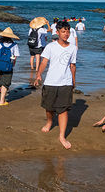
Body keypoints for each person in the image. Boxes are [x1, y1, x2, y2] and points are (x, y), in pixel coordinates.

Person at [34, 20, 78, 149]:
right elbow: (44, 62)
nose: (66, 34)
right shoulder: (50, 47)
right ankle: (49, 122)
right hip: (50, 82)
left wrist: (73, 81)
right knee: (49, 108)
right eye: (63, 32)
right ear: (57, 32)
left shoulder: (73, 47)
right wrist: (38, 75)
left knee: (63, 110)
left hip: (66, 82)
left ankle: (62, 136)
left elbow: (73, 65)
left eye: (68, 31)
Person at [0, 27, 20, 106]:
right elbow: (15, 57)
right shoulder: (14, 45)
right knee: (6, 83)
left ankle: (0, 87)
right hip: (8, 66)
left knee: (2, 77)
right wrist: (13, 64)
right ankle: (2, 101)